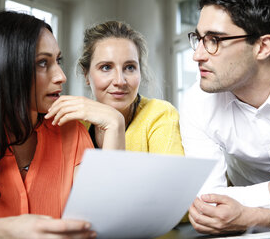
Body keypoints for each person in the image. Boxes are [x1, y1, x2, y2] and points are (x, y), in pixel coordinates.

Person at [0, 10, 125, 238]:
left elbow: (104, 220)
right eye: (43, 63)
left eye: (58, 61)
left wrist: (115, 122)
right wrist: (7, 231)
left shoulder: (72, 131)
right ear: (6, 68)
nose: (61, 76)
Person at [179, 0, 270, 234]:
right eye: (198, 38)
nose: (197, 55)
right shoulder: (196, 102)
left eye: (215, 40)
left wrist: (254, 214)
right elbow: (208, 207)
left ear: (263, 46)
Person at [49, 21, 184, 156]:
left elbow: (172, 177)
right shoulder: (76, 124)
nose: (120, 81)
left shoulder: (160, 114)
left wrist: (114, 122)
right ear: (86, 75)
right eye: (106, 67)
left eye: (130, 67)